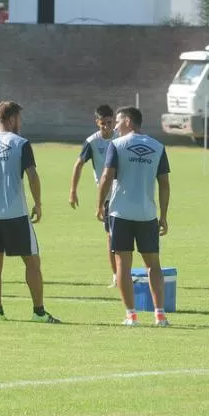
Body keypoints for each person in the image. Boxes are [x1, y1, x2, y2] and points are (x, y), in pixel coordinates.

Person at [0, 100, 60, 323]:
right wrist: (38, 204)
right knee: (32, 262)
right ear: (11, 119)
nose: (21, 122)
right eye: (19, 118)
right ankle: (38, 312)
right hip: (15, 214)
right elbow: (32, 176)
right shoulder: (20, 143)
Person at [96, 106, 170, 327]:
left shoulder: (117, 145)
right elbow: (164, 183)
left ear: (128, 121)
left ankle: (131, 315)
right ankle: (160, 315)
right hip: (147, 214)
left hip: (121, 213)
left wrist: (99, 204)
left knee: (123, 266)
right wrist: (164, 215)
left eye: (118, 122)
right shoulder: (158, 146)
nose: (116, 127)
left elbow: (107, 176)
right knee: (153, 265)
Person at [68, 104, 118, 287]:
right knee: (111, 237)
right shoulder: (92, 142)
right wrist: (73, 191)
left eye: (109, 122)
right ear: (97, 123)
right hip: (106, 197)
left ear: (114, 121)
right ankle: (116, 276)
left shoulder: (122, 138)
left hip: (125, 194)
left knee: (125, 236)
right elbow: (78, 165)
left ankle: (127, 275)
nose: (106, 126)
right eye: (103, 123)